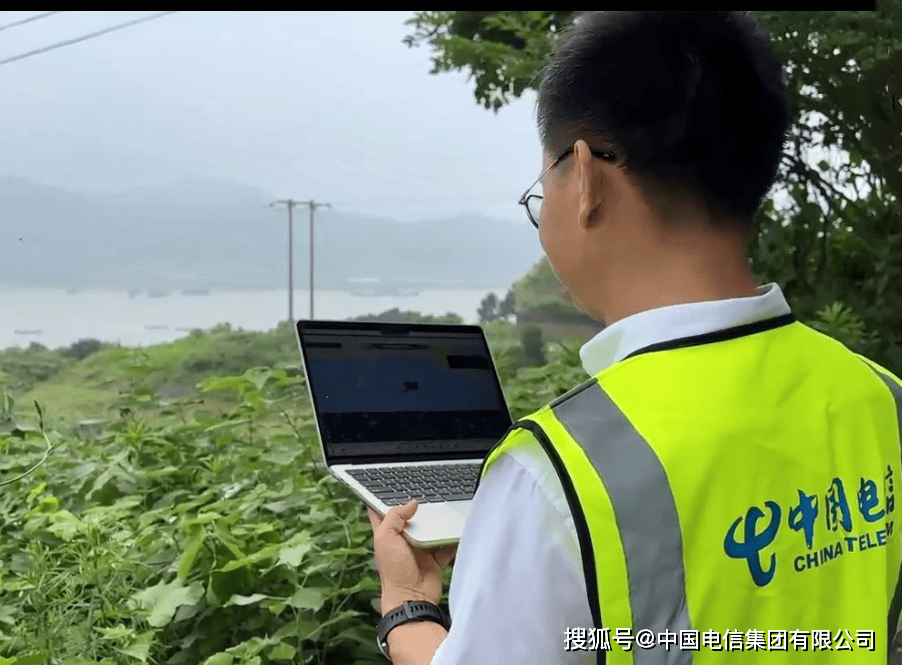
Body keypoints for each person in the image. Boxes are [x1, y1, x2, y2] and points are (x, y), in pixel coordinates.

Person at [366, 10, 902, 665]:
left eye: (542, 190)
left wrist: (405, 600)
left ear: (586, 177)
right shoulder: (880, 397)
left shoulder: (553, 475)